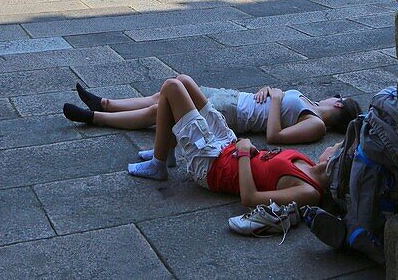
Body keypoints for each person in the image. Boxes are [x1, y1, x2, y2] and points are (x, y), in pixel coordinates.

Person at [123, 76, 339, 221]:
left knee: (172, 88)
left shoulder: (309, 192)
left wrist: (244, 153)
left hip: (214, 167)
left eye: (336, 148)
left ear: (335, 162)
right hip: (229, 146)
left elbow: (250, 199)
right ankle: (166, 152)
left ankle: (157, 165)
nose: (331, 146)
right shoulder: (310, 165)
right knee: (183, 80)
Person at [64, 80, 359, 144]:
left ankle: (94, 118)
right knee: (168, 89)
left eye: (337, 97)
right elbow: (274, 103)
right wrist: (269, 90)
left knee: (159, 110)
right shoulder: (307, 102)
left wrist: (278, 99)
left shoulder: (316, 124)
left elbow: (274, 136)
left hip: (231, 114)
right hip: (235, 95)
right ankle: (105, 103)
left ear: (338, 105)